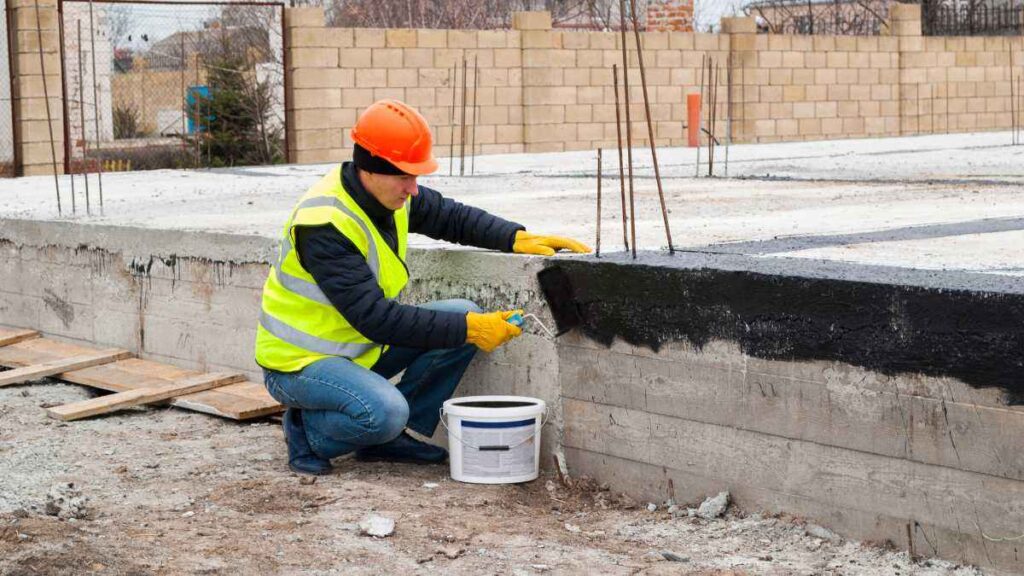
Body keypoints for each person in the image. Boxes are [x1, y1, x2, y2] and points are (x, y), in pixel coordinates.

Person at [255, 99, 590, 475]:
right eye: (405, 177)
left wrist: (516, 237)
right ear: (371, 170)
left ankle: (384, 438)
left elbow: (451, 217)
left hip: (357, 350)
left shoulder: (387, 195)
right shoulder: (324, 224)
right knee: (389, 409)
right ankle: (307, 430)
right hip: (299, 364)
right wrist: (472, 328)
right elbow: (377, 319)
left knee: (461, 313)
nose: (414, 189)